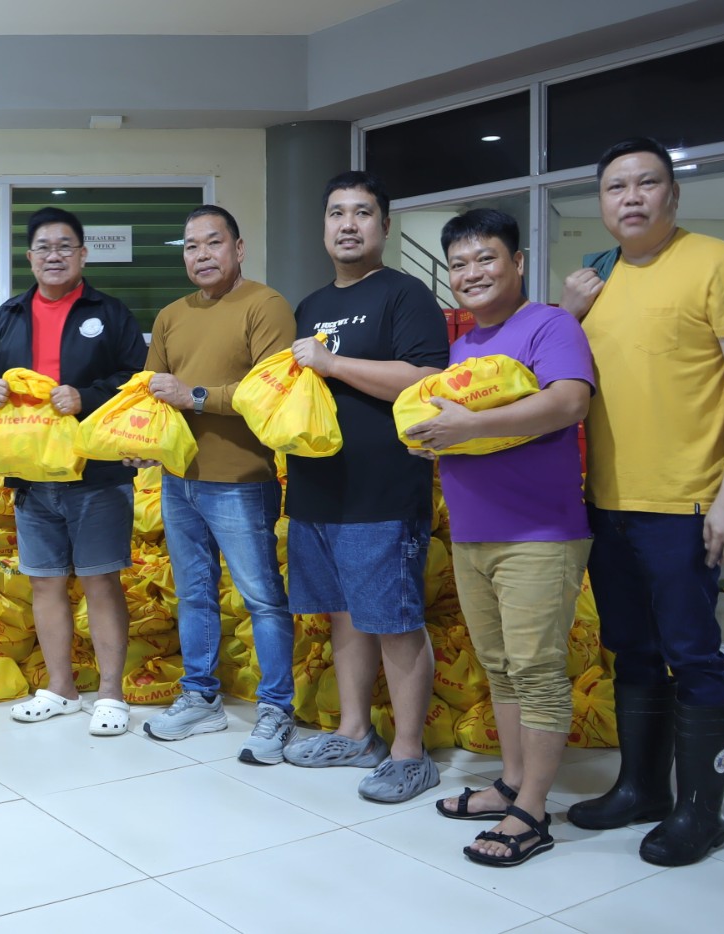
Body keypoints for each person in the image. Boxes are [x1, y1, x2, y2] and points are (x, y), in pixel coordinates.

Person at [558, 138, 724, 867]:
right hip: (606, 502)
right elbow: (555, 376)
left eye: (648, 183)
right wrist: (565, 310)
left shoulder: (721, 264)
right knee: (631, 651)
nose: (632, 197)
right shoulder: (596, 278)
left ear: (672, 195)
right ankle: (640, 789)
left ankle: (698, 812)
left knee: (693, 655)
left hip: (685, 502)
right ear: (602, 201)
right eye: (617, 186)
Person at [407, 209, 593, 866]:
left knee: (538, 671)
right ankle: (513, 784)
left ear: (517, 262)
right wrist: (439, 441)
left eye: (486, 258)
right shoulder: (461, 349)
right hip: (473, 532)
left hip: (539, 533)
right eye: (459, 264)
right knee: (502, 669)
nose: (471, 273)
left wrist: (467, 432)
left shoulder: (550, 324)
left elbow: (569, 402)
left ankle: (533, 813)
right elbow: (458, 425)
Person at [278, 171, 450, 803]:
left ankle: (410, 751)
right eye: (336, 213)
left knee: (394, 619)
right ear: (323, 226)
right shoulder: (312, 305)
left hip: (382, 487)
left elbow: (426, 379)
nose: (347, 225)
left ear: (384, 225)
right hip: (318, 486)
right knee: (344, 616)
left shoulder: (406, 295)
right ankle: (355, 734)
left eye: (362, 213)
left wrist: (330, 362)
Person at [0, 208, 146, 735]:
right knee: (44, 584)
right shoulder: (8, 316)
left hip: (95, 474)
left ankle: (111, 694)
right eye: (43, 247)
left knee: (100, 580)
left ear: (83, 254)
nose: (54, 255)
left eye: (65, 246)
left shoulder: (108, 313)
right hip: (30, 473)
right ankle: (61, 688)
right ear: (29, 257)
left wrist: (87, 396)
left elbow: (136, 379)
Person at [139, 205, 297, 764]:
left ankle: (278, 707)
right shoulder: (170, 315)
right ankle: (200, 695)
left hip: (240, 480)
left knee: (261, 597)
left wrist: (197, 397)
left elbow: (272, 391)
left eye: (212, 243)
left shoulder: (265, 305)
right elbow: (152, 390)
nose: (201, 255)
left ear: (238, 248)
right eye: (190, 247)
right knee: (194, 594)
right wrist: (140, 443)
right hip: (178, 478)